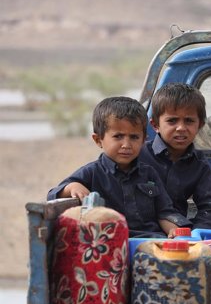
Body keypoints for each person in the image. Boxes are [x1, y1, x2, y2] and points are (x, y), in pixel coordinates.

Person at [48, 96, 191, 238]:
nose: (126, 145)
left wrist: (174, 231)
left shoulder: (149, 174)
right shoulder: (92, 172)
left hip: (152, 240)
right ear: (98, 140)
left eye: (134, 137)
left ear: (143, 140)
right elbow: (53, 194)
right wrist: (73, 187)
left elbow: (164, 212)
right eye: (118, 136)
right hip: (111, 243)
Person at [139, 83, 211, 237]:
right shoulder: (139, 155)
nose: (181, 128)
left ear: (200, 125)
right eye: (172, 121)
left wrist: (194, 234)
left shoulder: (198, 164)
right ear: (155, 125)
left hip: (179, 227)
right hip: (144, 227)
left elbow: (210, 207)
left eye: (189, 121)